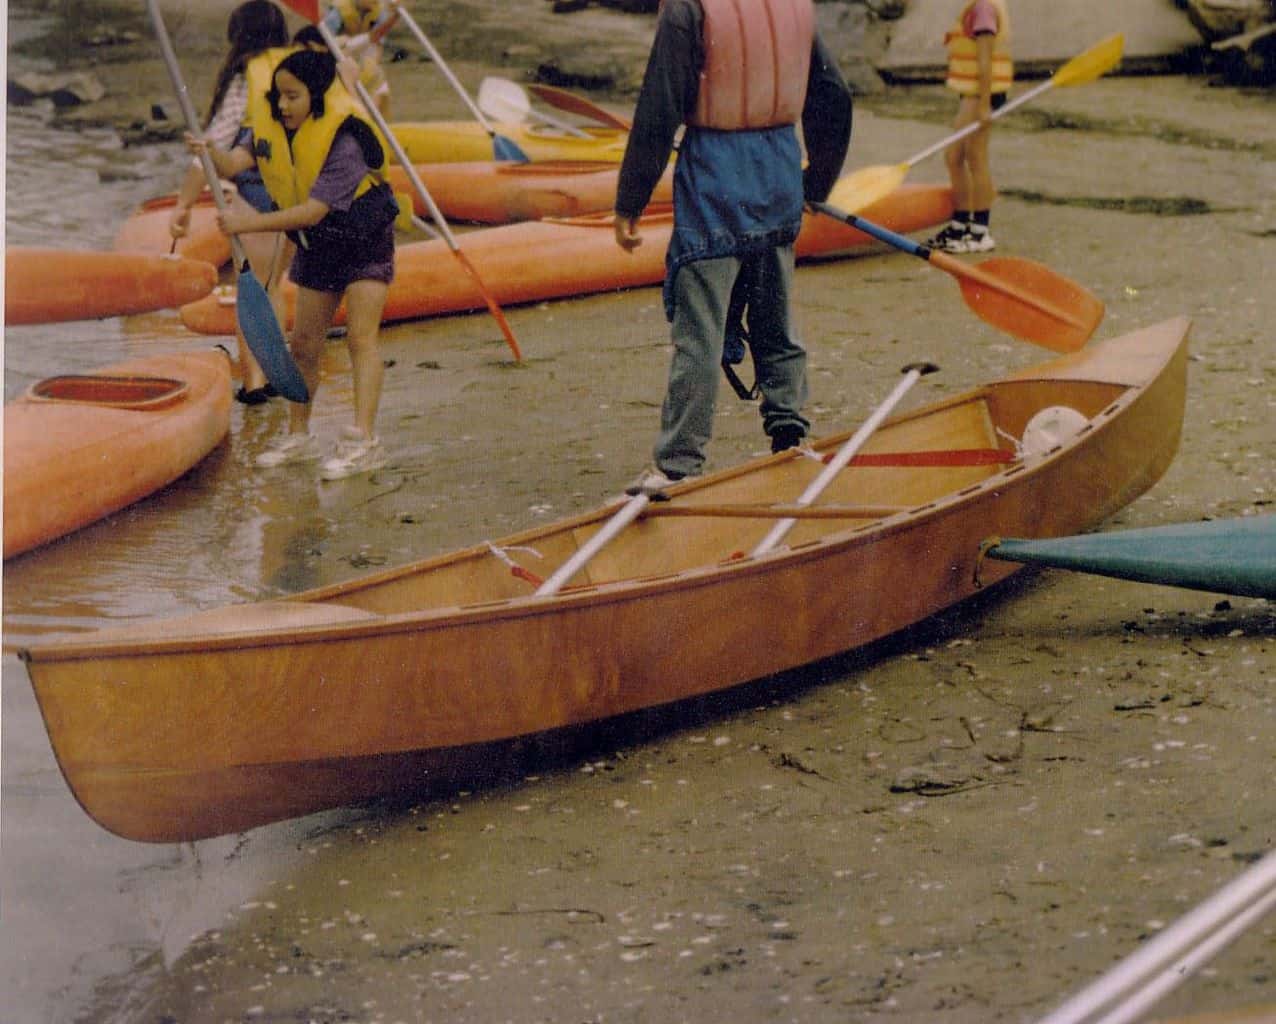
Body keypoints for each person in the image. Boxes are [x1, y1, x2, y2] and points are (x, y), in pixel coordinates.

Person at [613, 0, 852, 494]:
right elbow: (834, 95)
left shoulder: (688, 9)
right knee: (776, 317)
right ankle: (790, 432)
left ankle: (678, 464)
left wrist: (630, 200)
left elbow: (660, 107)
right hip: (779, 175)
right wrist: (817, 182)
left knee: (699, 331)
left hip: (715, 183)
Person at [187, 48, 399, 480]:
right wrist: (210, 151)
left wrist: (250, 221)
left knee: (361, 338)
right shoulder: (272, 125)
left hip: (364, 240)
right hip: (318, 247)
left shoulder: (348, 137)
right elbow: (235, 162)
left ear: (317, 95)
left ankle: (364, 439)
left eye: (292, 97)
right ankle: (299, 436)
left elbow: (314, 209)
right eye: (278, 96)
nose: (282, 105)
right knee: (303, 344)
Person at [170, 0, 294, 406]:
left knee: (251, 291)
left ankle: (256, 381)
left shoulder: (246, 79)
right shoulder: (293, 77)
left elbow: (214, 146)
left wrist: (184, 205)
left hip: (253, 198)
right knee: (273, 286)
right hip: (294, 199)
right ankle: (273, 372)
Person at [926, 0, 1013, 254]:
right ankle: (959, 224)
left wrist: (985, 105)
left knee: (974, 159)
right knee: (955, 157)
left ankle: (979, 232)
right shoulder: (976, 7)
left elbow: (985, 60)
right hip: (972, 94)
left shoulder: (984, 8)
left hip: (981, 95)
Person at [321, 0, 398, 118]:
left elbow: (376, 41)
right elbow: (323, 41)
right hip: (337, 52)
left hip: (359, 51)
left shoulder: (379, 11)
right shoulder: (338, 11)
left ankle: (375, 120)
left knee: (376, 76)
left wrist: (370, 68)